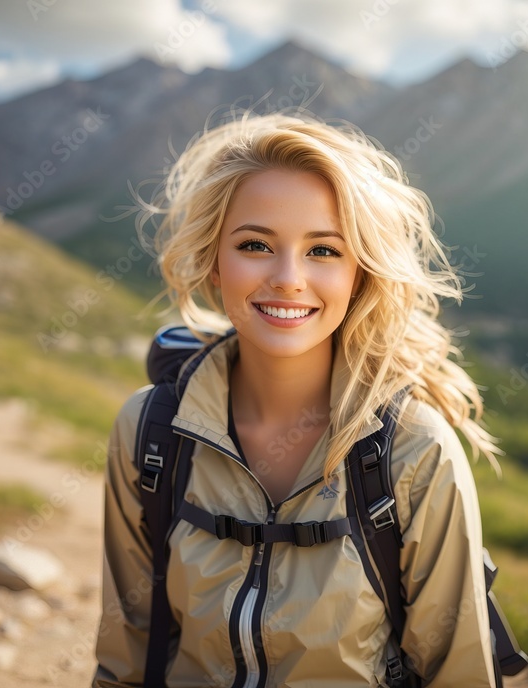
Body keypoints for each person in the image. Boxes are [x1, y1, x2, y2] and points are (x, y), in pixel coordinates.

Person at [92, 111, 501, 687]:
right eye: (255, 244)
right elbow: (124, 659)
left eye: (324, 251)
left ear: (360, 272)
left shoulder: (414, 452)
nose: (287, 278)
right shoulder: (147, 430)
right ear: (214, 260)